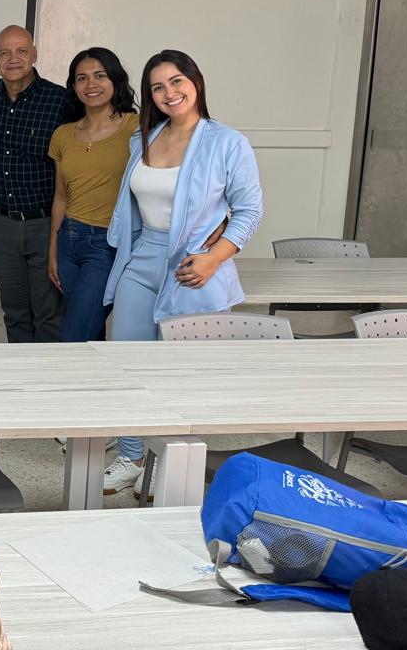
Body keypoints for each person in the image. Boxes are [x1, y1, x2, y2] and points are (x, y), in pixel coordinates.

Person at [101, 49, 263, 495]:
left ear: (195, 81)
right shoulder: (143, 139)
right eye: (157, 86)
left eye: (176, 81)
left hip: (195, 266)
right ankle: (132, 456)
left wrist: (214, 258)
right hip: (142, 258)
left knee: (182, 373)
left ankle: (169, 467)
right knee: (130, 364)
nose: (169, 92)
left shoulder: (226, 142)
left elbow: (249, 210)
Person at [0, 25, 67, 343]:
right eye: (4, 52)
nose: (13, 59)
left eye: (21, 51)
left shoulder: (59, 101)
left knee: (49, 313)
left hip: (45, 223)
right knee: (14, 311)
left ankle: (50, 387)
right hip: (2, 224)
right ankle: (21, 380)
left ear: (34, 55)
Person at [46, 48, 139, 343]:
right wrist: (53, 250)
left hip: (107, 244)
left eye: (100, 76)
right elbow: (60, 197)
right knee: (89, 329)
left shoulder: (137, 128)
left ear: (115, 79)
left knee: (75, 337)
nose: (91, 84)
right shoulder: (63, 134)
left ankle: (71, 386)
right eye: (81, 78)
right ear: (73, 87)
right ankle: (97, 387)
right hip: (69, 241)